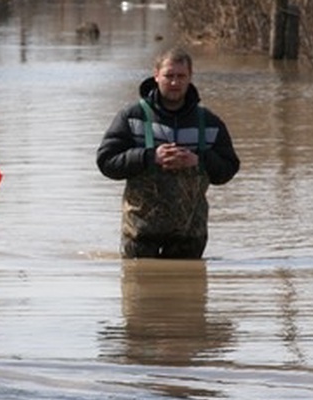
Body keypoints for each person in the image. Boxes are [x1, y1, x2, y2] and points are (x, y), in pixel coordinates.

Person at [96, 47, 240, 259]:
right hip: (140, 235)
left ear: (190, 77)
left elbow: (228, 170)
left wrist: (199, 160)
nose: (175, 82)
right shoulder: (132, 116)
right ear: (156, 76)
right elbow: (106, 162)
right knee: (140, 292)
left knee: (188, 293)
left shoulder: (210, 122)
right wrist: (149, 157)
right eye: (169, 76)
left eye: (181, 76)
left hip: (190, 238)